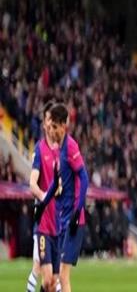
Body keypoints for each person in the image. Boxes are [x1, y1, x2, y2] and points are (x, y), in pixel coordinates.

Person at [43, 103, 89, 292]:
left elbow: (84, 178)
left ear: (63, 126)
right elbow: (56, 183)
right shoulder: (59, 150)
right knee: (58, 277)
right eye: (50, 126)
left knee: (63, 276)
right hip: (63, 219)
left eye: (54, 126)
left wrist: (77, 213)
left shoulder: (70, 146)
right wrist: (43, 204)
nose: (51, 131)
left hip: (73, 219)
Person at [29, 100, 61, 292]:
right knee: (47, 278)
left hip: (59, 224)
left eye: (54, 120)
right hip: (43, 225)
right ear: (44, 123)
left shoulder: (60, 151)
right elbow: (32, 183)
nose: (51, 123)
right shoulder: (39, 150)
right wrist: (44, 197)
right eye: (49, 119)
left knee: (53, 282)